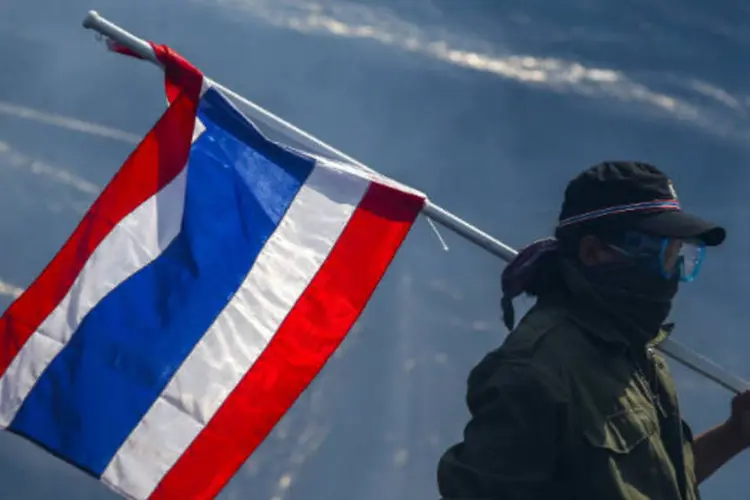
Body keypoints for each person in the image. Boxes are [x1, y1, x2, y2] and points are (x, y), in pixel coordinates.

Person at [437, 161, 750, 499]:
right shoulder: (538, 369)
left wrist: (735, 434)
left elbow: (652, 484)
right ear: (592, 252)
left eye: (680, 256)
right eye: (659, 253)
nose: (671, 273)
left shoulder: (634, 352)